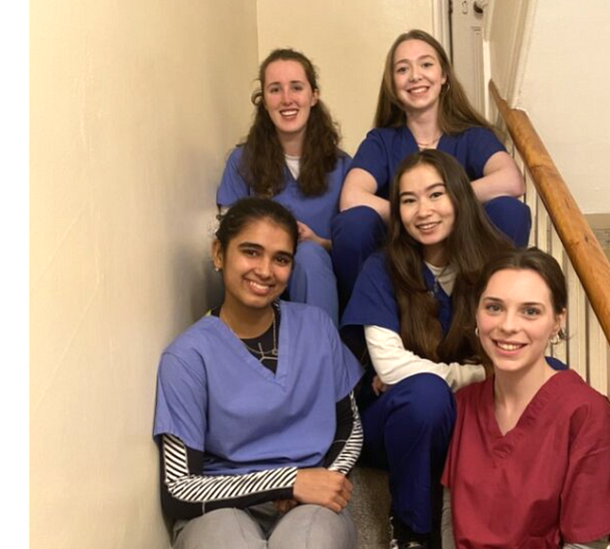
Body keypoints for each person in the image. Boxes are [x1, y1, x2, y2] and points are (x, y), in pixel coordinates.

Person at [153, 198, 363, 549]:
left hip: (311, 502)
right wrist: (289, 481)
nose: (265, 271)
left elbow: (350, 425)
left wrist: (323, 481)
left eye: (281, 259)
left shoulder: (316, 327)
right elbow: (178, 487)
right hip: (217, 508)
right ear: (219, 253)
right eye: (251, 252)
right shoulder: (187, 357)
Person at [341, 150, 514, 548]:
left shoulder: (496, 265)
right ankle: (412, 532)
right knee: (425, 395)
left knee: (553, 377)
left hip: (472, 413)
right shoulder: (381, 267)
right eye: (408, 200)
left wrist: (473, 376)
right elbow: (388, 363)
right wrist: (475, 375)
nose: (423, 211)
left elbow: (515, 355)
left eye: (435, 195)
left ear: (458, 197)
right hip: (397, 423)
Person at [442, 248, 610, 549]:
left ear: (557, 321)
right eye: (494, 307)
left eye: (530, 311)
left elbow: (587, 544)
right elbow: (449, 519)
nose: (508, 325)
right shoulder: (463, 405)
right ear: (476, 314)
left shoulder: (588, 414)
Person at [331, 29, 529, 309]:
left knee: (510, 210)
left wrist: (447, 202)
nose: (415, 76)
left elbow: (511, 180)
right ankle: (363, 326)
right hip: (404, 253)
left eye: (426, 64)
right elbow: (351, 197)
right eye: (403, 69)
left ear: (444, 76)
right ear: (393, 84)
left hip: (463, 254)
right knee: (354, 224)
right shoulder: (383, 140)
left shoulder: (472, 135)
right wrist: (413, 212)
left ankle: (493, 311)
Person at [218, 48, 349, 325]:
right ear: (263, 100)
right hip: (262, 284)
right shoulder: (242, 162)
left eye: (296, 88)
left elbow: (357, 247)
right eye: (275, 89)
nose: (287, 99)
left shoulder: (343, 167)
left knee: (310, 256)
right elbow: (228, 237)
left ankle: (321, 358)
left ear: (313, 96)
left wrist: (319, 242)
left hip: (325, 283)